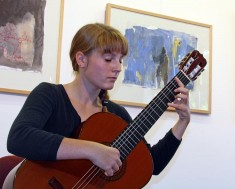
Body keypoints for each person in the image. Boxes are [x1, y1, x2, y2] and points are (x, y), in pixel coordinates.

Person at [4, 23, 191, 188]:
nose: (117, 67)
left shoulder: (115, 115)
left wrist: (181, 123)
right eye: (109, 59)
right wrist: (93, 150)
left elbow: (151, 165)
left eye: (120, 60)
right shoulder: (50, 95)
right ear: (81, 59)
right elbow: (19, 138)